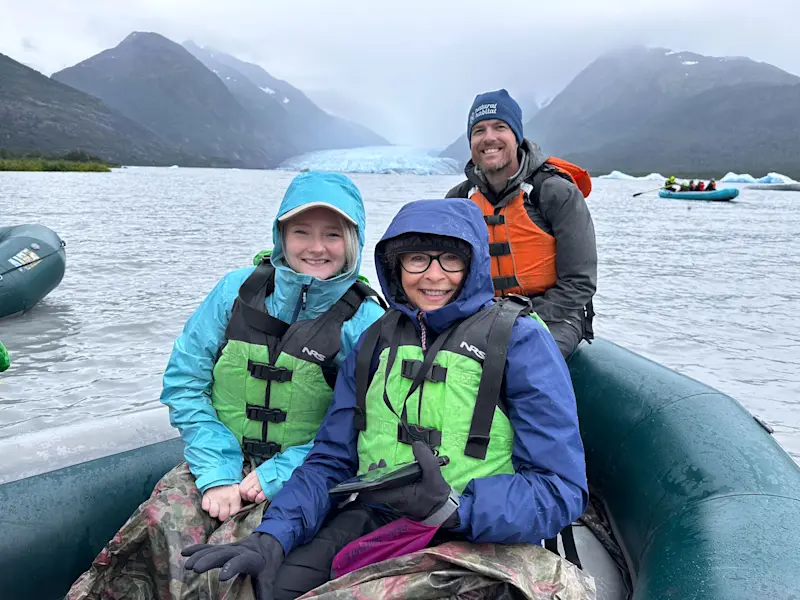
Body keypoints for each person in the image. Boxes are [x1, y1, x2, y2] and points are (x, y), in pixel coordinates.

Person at [183, 198, 589, 600]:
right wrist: (272, 536)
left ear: (473, 264)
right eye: (417, 260)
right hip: (382, 516)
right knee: (275, 584)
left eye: (450, 259)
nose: (434, 276)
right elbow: (331, 459)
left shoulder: (520, 340)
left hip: (482, 532)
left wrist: (457, 511)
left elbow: (560, 488)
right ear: (396, 265)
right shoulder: (374, 341)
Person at [66, 171, 386, 600]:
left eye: (332, 234)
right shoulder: (234, 292)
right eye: (301, 231)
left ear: (353, 240)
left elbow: (364, 426)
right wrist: (217, 471)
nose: (316, 247)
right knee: (162, 521)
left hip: (307, 475)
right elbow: (185, 381)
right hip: (216, 459)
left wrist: (278, 474)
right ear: (281, 234)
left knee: (240, 563)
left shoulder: (365, 321)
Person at [445, 89, 596, 359]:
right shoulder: (459, 199)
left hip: (556, 315)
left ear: (516, 135)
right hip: (484, 313)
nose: (488, 137)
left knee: (520, 362)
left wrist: (516, 317)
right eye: (478, 130)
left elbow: (579, 283)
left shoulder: (554, 192)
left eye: (499, 127)